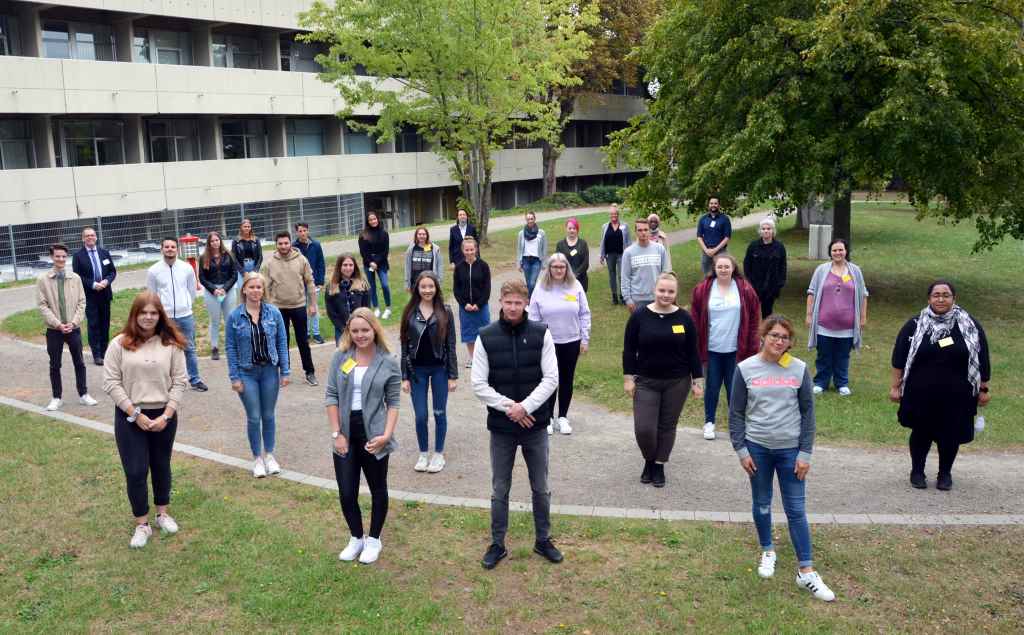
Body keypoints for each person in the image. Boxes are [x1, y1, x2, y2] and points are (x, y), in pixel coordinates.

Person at [729, 315, 835, 602]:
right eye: (774, 335)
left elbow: (807, 414)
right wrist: (742, 450)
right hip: (757, 449)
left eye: (785, 338)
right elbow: (736, 413)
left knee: (796, 510)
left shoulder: (798, 369)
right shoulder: (745, 369)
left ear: (790, 342)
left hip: (791, 452)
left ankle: (806, 571)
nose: (779, 341)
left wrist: (805, 453)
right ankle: (768, 550)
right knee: (762, 504)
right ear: (763, 336)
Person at [472, 280, 561, 570]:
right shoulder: (485, 336)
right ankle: (497, 544)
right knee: (500, 487)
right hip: (502, 428)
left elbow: (551, 378)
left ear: (526, 303)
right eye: (508, 302)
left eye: (518, 302)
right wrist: (511, 408)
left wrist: (526, 407)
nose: (512, 307)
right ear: (500, 301)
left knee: (541, 486)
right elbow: (478, 384)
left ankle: (543, 539)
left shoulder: (541, 334)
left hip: (535, 425)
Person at [102, 291, 189, 549]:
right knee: (136, 470)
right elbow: (110, 382)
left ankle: (162, 513)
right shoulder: (119, 344)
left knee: (161, 465)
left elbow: (180, 381)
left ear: (160, 315)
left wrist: (167, 414)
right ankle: (142, 523)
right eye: (143, 313)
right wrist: (134, 413)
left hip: (164, 415)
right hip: (131, 417)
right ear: (135, 315)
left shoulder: (171, 344)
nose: (148, 317)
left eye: (153, 313)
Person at [890, 281, 991, 491]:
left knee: (950, 435)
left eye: (946, 295)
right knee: (921, 433)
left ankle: (945, 473)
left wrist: (983, 389)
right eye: (936, 295)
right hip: (921, 393)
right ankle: (917, 471)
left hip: (958, 394)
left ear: (954, 299)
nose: (941, 299)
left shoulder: (969, 324)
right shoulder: (915, 324)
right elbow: (899, 357)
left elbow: (982, 358)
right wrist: (895, 386)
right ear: (929, 299)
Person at [326, 307, 401, 565]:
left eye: (365, 330)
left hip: (375, 434)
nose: (360, 335)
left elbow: (393, 402)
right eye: (355, 331)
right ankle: (356, 536)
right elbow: (331, 396)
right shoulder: (341, 357)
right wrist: (337, 433)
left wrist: (386, 435)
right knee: (347, 491)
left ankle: (374, 539)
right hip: (346, 433)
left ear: (374, 330)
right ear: (349, 332)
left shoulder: (388, 360)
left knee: (378, 488)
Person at [623, 273, 703, 487]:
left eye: (670, 291)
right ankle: (649, 458)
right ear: (654, 290)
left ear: (676, 294)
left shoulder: (684, 318)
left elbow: (693, 352)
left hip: (677, 382)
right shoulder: (640, 316)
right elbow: (629, 350)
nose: (665, 295)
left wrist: (697, 381)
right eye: (662, 290)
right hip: (646, 381)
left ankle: (658, 465)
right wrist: (628, 378)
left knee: (667, 426)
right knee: (644, 428)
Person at [226, 272, 291, 479]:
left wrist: (285, 370)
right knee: (254, 416)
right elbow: (230, 348)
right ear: (244, 289)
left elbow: (282, 342)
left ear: (264, 290)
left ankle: (270, 455)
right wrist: (234, 377)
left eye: (259, 287)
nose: (256, 291)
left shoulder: (274, 313)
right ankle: (257, 458)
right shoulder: (235, 316)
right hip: (247, 373)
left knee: (269, 414)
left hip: (270, 371)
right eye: (252, 287)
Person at [691, 253, 761, 441]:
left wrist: (754, 343)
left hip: (736, 349)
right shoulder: (703, 289)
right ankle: (709, 423)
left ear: (733, 268)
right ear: (714, 268)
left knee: (735, 389)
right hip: (712, 348)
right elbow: (696, 318)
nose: (723, 270)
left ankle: (735, 426)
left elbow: (754, 316)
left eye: (726, 266)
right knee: (712, 387)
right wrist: (694, 344)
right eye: (719, 267)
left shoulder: (745, 289)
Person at [400, 271, 458, 473]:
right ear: (417, 288)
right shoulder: (409, 312)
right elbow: (404, 347)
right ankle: (423, 453)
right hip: (417, 371)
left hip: (440, 369)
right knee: (420, 415)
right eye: (423, 287)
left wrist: (453, 375)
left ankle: (438, 453)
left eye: (430, 287)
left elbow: (451, 345)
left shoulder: (445, 311)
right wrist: (404, 377)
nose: (427, 290)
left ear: (436, 288)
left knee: (439, 412)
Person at [528, 253, 591, 435]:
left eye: (562, 267)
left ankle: (562, 417)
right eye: (555, 267)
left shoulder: (575, 286)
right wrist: (536, 340)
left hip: (571, 340)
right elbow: (533, 316)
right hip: (547, 342)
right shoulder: (541, 288)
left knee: (566, 378)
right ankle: (547, 417)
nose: (558, 270)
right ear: (549, 269)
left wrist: (585, 338)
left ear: (567, 269)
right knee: (549, 379)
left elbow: (584, 313)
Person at [37, 243, 98, 411]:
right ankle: (56, 397)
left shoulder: (75, 278)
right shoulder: (43, 280)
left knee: (79, 362)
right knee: (55, 364)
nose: (61, 259)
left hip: (73, 328)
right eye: (57, 256)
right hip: (54, 330)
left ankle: (83, 394)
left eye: (64, 256)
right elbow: (42, 305)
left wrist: (73, 323)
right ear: (52, 257)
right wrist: (58, 324)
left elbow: (81, 302)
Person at [805, 238, 868, 395]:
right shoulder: (821, 270)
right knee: (823, 354)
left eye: (841, 250)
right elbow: (811, 293)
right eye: (834, 250)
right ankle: (821, 382)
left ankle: (842, 383)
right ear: (830, 252)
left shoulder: (855, 271)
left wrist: (863, 317)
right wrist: (809, 314)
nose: (838, 253)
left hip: (847, 325)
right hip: (823, 324)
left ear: (846, 251)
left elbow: (863, 294)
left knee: (842, 355)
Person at [146, 237, 207, 391]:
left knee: (189, 348)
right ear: (161, 249)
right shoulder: (153, 270)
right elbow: (152, 294)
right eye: (166, 247)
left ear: (177, 249)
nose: (170, 249)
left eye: (173, 247)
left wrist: (185, 305)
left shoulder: (186, 268)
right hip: (165, 317)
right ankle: (167, 381)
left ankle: (195, 379)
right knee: (165, 349)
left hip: (185, 315)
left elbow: (192, 290)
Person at [262, 231, 318, 386]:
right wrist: (266, 308)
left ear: (290, 243)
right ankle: (283, 373)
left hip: (299, 305)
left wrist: (312, 304)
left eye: (286, 243)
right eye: (280, 243)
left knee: (303, 341)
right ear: (276, 245)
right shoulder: (269, 263)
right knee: (281, 342)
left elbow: (310, 282)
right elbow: (264, 286)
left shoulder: (301, 260)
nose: (283, 246)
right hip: (278, 308)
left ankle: (310, 372)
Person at [72, 226, 116, 365]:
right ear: (83, 239)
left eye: (92, 235)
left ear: (96, 237)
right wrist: (92, 284)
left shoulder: (104, 253)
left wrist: (106, 281)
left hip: (105, 294)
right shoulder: (78, 256)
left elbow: (112, 272)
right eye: (87, 236)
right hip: (90, 295)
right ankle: (96, 354)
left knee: (105, 324)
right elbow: (77, 276)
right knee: (93, 325)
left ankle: (105, 352)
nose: (90, 237)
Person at [197, 231, 237, 361]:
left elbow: (234, 275)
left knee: (229, 319)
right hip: (212, 292)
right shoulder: (203, 257)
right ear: (209, 243)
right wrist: (214, 289)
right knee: (214, 320)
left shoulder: (229, 255)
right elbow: (202, 278)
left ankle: (230, 346)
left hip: (228, 290)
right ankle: (214, 348)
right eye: (212, 241)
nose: (215, 243)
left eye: (217, 240)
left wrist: (225, 289)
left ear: (220, 241)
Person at [453, 237, 491, 368]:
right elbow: (456, 290)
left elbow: (487, 288)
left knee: (484, 332)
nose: (469, 252)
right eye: (466, 250)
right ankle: (473, 358)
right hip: (465, 308)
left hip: (481, 306)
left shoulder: (484, 266)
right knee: (469, 334)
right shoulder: (458, 268)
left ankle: (485, 357)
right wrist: (465, 304)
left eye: (471, 249)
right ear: (463, 251)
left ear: (476, 249)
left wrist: (479, 304)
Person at [620, 218, 671, 313]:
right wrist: (628, 299)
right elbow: (625, 278)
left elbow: (665, 273)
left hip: (657, 297)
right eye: (640, 230)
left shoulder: (659, 249)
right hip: (637, 300)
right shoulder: (628, 253)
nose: (643, 233)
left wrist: (666, 294)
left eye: (645, 230)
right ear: (635, 232)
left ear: (649, 231)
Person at [743, 217, 788, 318]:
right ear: (760, 231)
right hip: (755, 285)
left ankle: (765, 332)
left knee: (767, 313)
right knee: (752, 312)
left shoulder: (779, 247)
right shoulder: (753, 246)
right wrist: (750, 282)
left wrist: (780, 283)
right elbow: (747, 265)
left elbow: (783, 266)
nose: (766, 231)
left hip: (771, 287)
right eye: (763, 229)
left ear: (773, 231)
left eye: (768, 228)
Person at [325, 254, 371, 346]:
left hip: (360, 328)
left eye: (351, 265)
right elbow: (331, 311)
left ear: (355, 267)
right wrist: (342, 328)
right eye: (345, 265)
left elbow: (366, 307)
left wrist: (361, 324)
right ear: (339, 267)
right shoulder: (331, 286)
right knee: (344, 356)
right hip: (341, 328)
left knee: (361, 354)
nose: (348, 268)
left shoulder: (362, 284)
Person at [295, 222, 327, 345]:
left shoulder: (316, 245)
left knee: (314, 308)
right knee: (303, 309)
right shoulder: (294, 246)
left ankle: (316, 333)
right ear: (297, 232)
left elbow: (321, 264)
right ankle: (306, 333)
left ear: (308, 231)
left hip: (313, 282)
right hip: (300, 283)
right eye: (300, 231)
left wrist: (320, 281)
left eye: (304, 230)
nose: (302, 233)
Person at [358, 211, 392, 319]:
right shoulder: (363, 235)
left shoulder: (384, 233)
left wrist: (376, 262)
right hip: (368, 263)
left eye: (374, 219)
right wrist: (371, 263)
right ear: (368, 222)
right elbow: (363, 252)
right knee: (372, 287)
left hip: (381, 263)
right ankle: (376, 308)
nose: (373, 221)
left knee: (385, 285)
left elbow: (385, 251)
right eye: (370, 220)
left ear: (378, 219)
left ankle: (388, 308)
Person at [599, 204, 631, 305]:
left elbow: (629, 241)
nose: (614, 216)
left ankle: (622, 296)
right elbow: (603, 241)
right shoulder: (605, 226)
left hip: (622, 255)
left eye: (615, 214)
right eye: (612, 214)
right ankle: (614, 297)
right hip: (609, 255)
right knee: (611, 276)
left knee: (622, 276)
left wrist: (630, 254)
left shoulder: (625, 226)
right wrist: (602, 255)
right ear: (610, 215)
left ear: (618, 215)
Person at [696, 197, 732, 277]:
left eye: (715, 203)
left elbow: (727, 237)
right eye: (711, 203)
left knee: (722, 274)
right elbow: (699, 236)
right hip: (706, 252)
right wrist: (706, 250)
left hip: (721, 252)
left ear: (719, 205)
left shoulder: (725, 219)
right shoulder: (703, 219)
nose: (713, 205)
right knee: (707, 275)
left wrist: (715, 250)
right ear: (708, 205)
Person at [404, 225, 444, 292]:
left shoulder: (435, 248)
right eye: (419, 234)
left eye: (424, 234)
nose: (422, 236)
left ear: (427, 235)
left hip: (430, 282)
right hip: (415, 282)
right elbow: (407, 266)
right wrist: (407, 283)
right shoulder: (411, 249)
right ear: (416, 235)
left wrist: (439, 282)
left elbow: (440, 266)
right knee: (416, 302)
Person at [516, 212, 547, 297]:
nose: (530, 221)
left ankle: (528, 300)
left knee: (532, 283)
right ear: (526, 220)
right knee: (528, 283)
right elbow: (519, 249)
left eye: (531, 219)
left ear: (534, 219)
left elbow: (544, 248)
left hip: (536, 261)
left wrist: (544, 263)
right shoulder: (521, 234)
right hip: (526, 260)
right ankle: (532, 299)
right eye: (528, 219)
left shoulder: (541, 233)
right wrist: (518, 263)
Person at [555, 217, 590, 292]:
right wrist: (566, 275)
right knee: (567, 301)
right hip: (564, 281)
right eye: (570, 228)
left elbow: (585, 263)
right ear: (566, 229)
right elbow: (557, 263)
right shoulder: (560, 245)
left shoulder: (583, 244)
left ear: (577, 229)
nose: (572, 230)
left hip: (581, 280)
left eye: (574, 228)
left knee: (578, 302)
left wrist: (575, 274)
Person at [232, 218, 263, 289]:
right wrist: (243, 272)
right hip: (241, 267)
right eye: (245, 226)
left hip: (253, 265)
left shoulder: (256, 240)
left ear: (251, 228)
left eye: (248, 226)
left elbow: (260, 256)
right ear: (241, 228)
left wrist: (255, 270)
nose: (247, 228)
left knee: (255, 287)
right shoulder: (236, 241)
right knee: (242, 289)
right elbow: (234, 258)